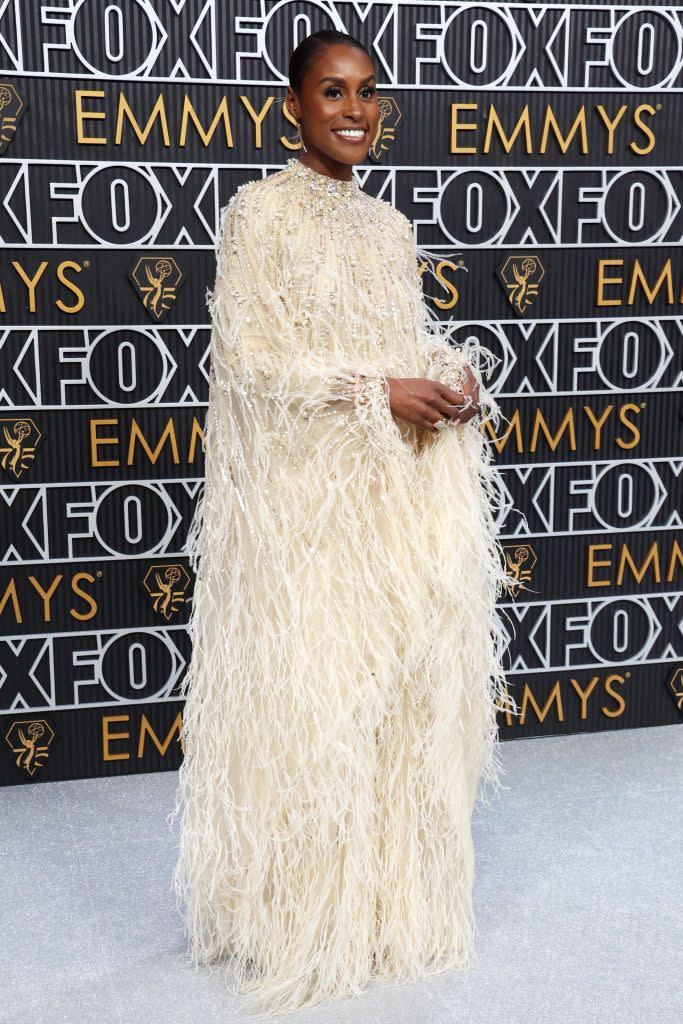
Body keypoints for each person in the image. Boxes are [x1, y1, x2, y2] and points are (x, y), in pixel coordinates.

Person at [169, 28, 518, 1018]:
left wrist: (446, 383)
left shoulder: (388, 229)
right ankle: (297, 916)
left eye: (367, 92)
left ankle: (375, 910)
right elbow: (250, 360)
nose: (354, 109)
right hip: (300, 515)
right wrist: (378, 388)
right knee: (313, 710)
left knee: (390, 705)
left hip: (383, 505)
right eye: (332, 91)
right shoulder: (258, 216)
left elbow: (400, 347)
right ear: (293, 106)